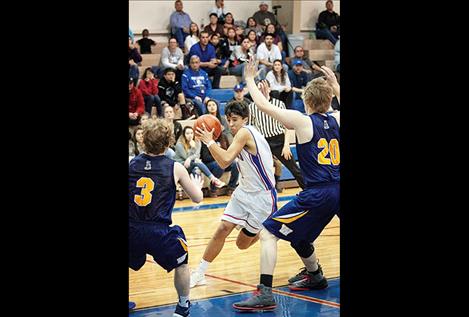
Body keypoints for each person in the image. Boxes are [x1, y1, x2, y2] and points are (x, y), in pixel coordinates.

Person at [232, 58, 340, 311]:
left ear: (307, 101)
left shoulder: (303, 121)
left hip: (318, 192)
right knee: (299, 234)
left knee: (269, 232)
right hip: (337, 189)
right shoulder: (337, 118)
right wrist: (335, 83)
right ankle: (315, 275)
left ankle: (265, 293)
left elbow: (262, 104)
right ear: (329, 99)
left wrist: (249, 78)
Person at [190, 101, 277, 294]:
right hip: (244, 192)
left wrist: (209, 141)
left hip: (262, 197)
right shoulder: (245, 131)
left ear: (245, 119)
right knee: (222, 228)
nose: (231, 124)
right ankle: (199, 273)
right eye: (228, 120)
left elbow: (225, 160)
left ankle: (272, 230)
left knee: (241, 244)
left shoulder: (245, 132)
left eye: (235, 120)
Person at [129, 118, 204, 317]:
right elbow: (197, 198)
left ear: (143, 141)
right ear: (169, 141)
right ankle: (182, 305)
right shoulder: (175, 167)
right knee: (182, 261)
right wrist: (198, 185)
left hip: (132, 227)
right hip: (158, 231)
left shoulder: (131, 164)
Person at [248, 79, 305, 190]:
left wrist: (286, 145)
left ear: (269, 89)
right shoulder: (251, 107)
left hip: (280, 140)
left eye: (263, 87)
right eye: (258, 89)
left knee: (295, 170)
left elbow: (286, 127)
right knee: (260, 171)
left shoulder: (279, 104)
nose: (261, 90)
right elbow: (251, 129)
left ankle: (308, 192)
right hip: (263, 142)